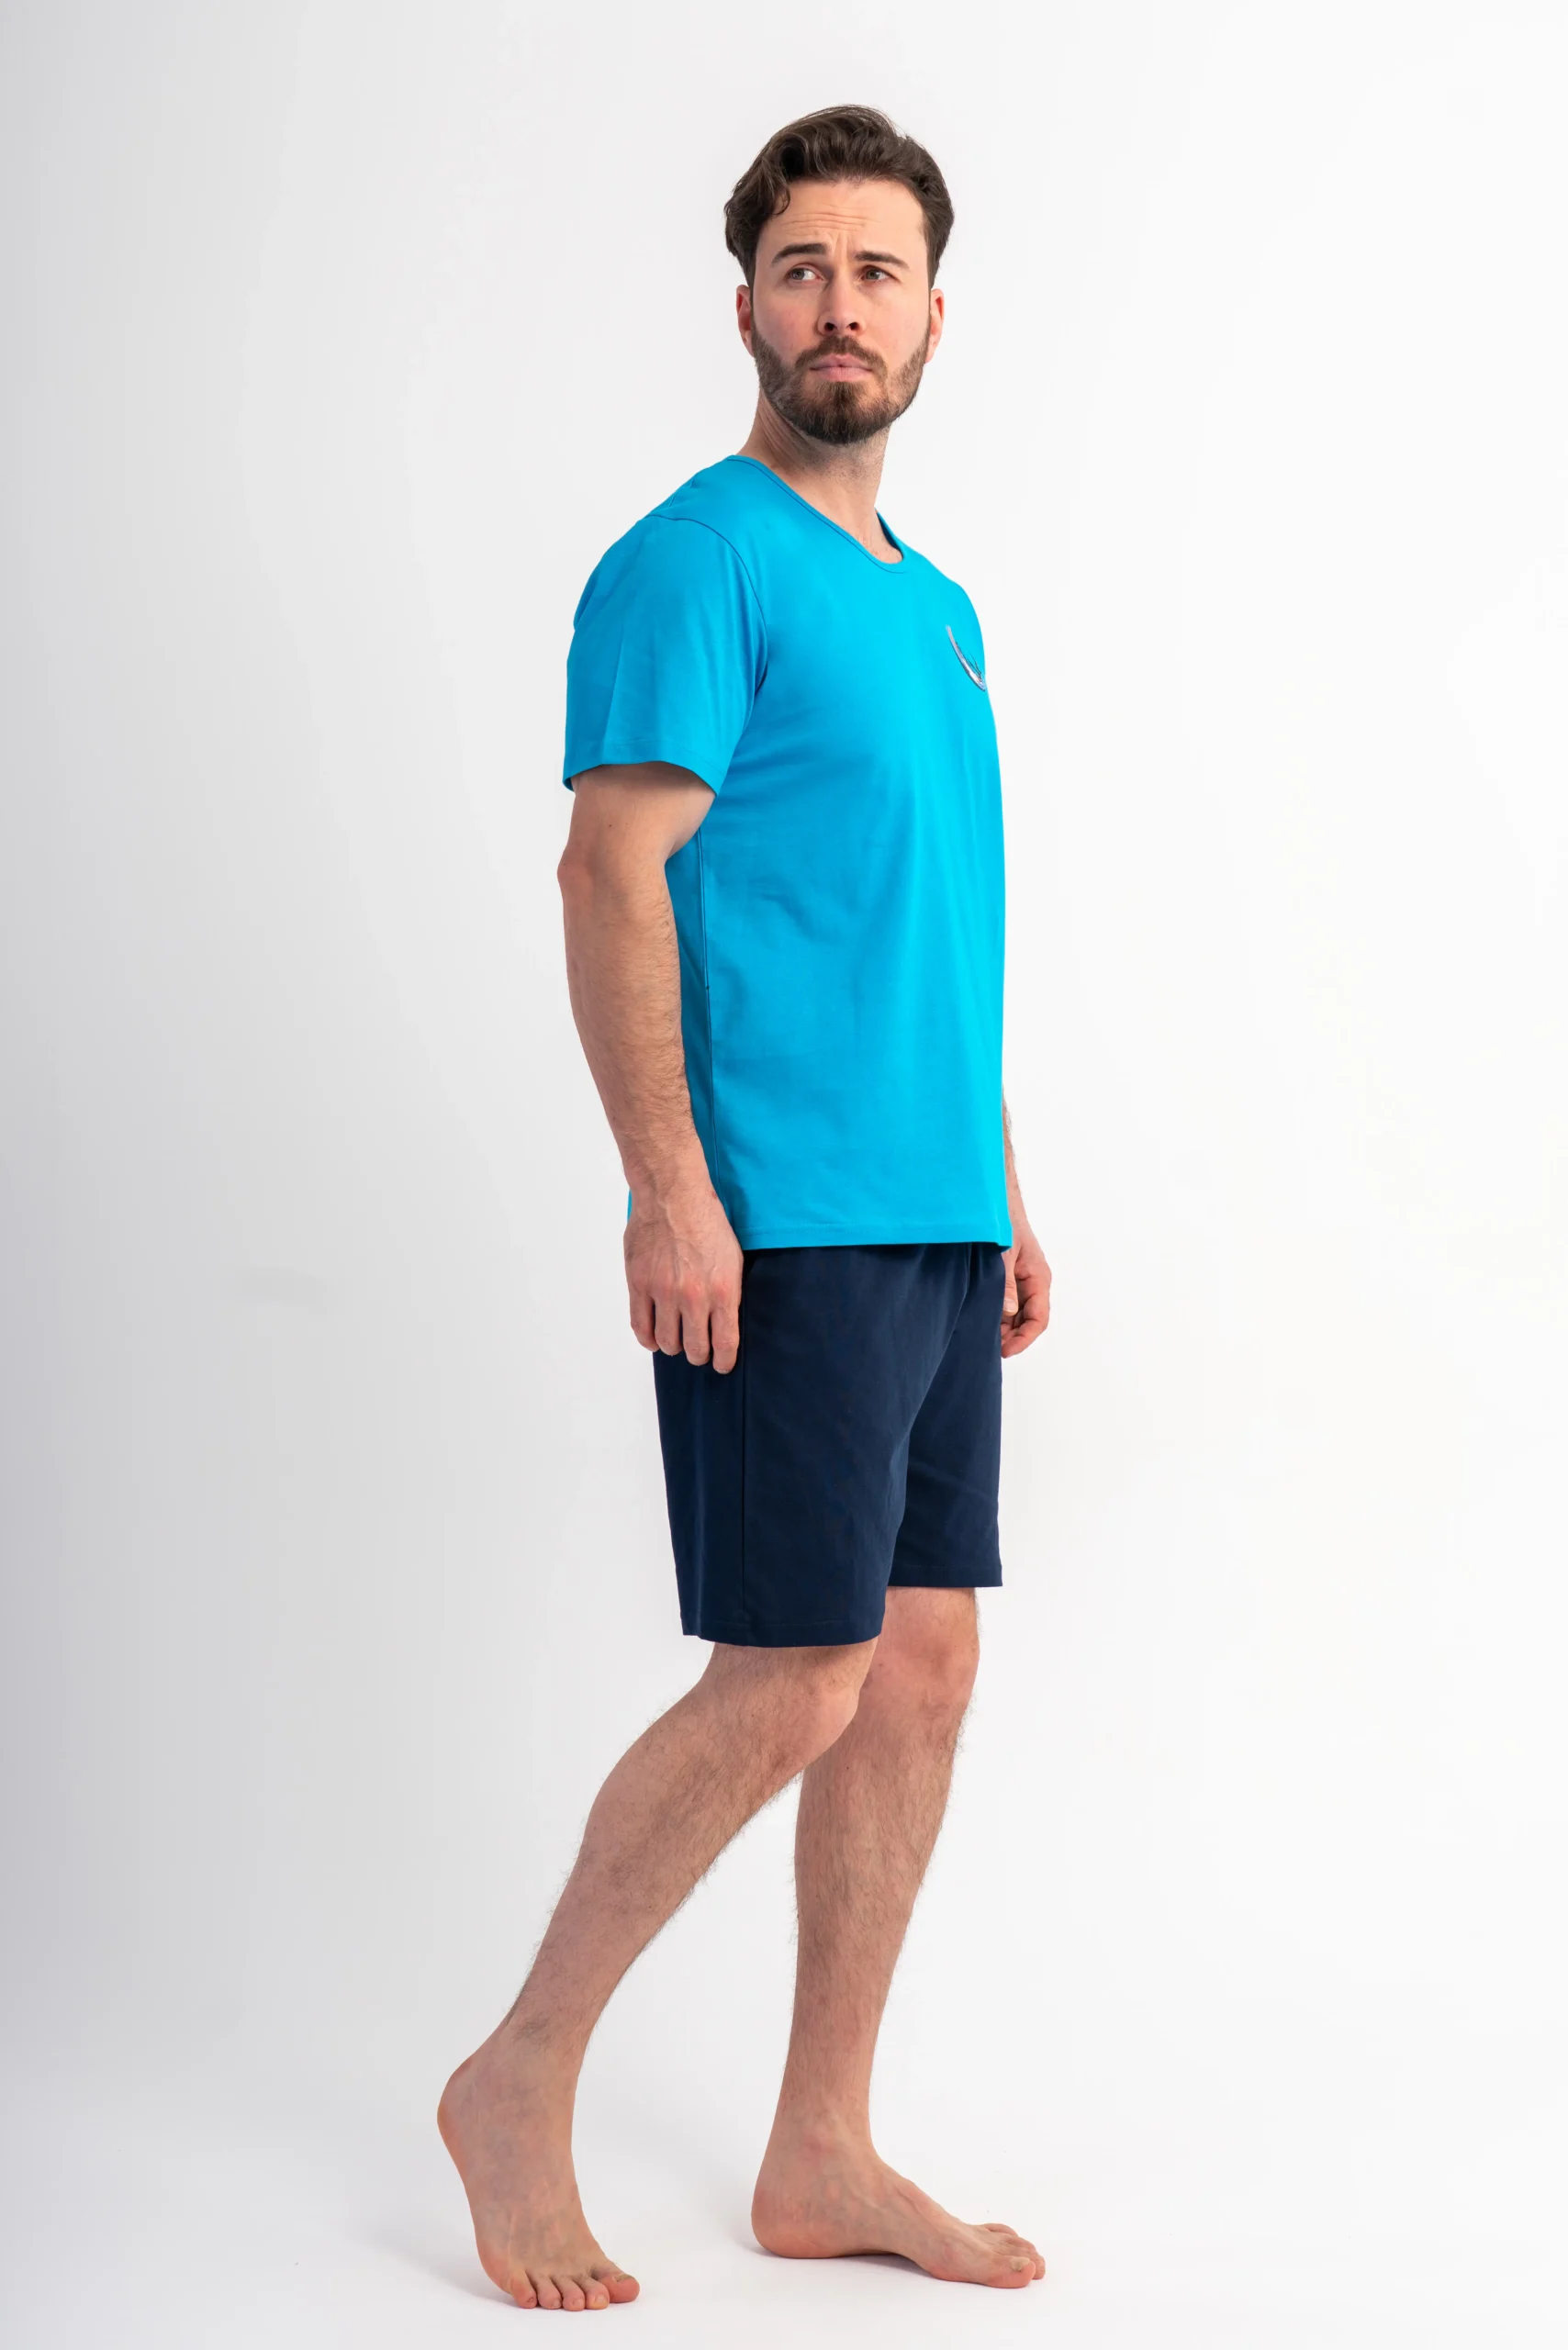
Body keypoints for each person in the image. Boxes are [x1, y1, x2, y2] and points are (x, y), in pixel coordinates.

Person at [439, 103, 1051, 2311]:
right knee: (793, 1676)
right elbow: (610, 868)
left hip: (926, 1212)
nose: (838, 306)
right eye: (802, 269)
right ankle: (514, 2075)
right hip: (775, 1216)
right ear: (746, 311)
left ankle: (817, 2146)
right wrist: (666, 1187)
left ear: (933, 316)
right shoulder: (692, 560)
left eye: (875, 271)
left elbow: (926, 917)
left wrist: (999, 1184)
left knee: (920, 1666)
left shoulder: (936, 609)